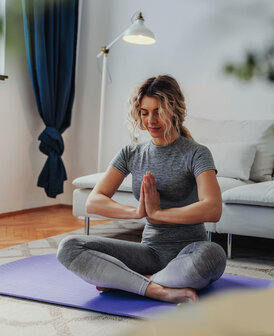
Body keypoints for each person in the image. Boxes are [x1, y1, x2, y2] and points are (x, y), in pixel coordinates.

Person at [57, 75, 226, 303]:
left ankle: (130, 281)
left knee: (214, 255)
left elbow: (213, 208)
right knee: (69, 247)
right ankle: (157, 288)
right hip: (149, 253)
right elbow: (94, 201)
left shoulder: (196, 153)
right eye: (144, 112)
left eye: (158, 111)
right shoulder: (131, 153)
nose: (150, 120)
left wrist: (159, 214)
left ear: (174, 110)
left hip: (190, 253)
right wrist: (137, 212)